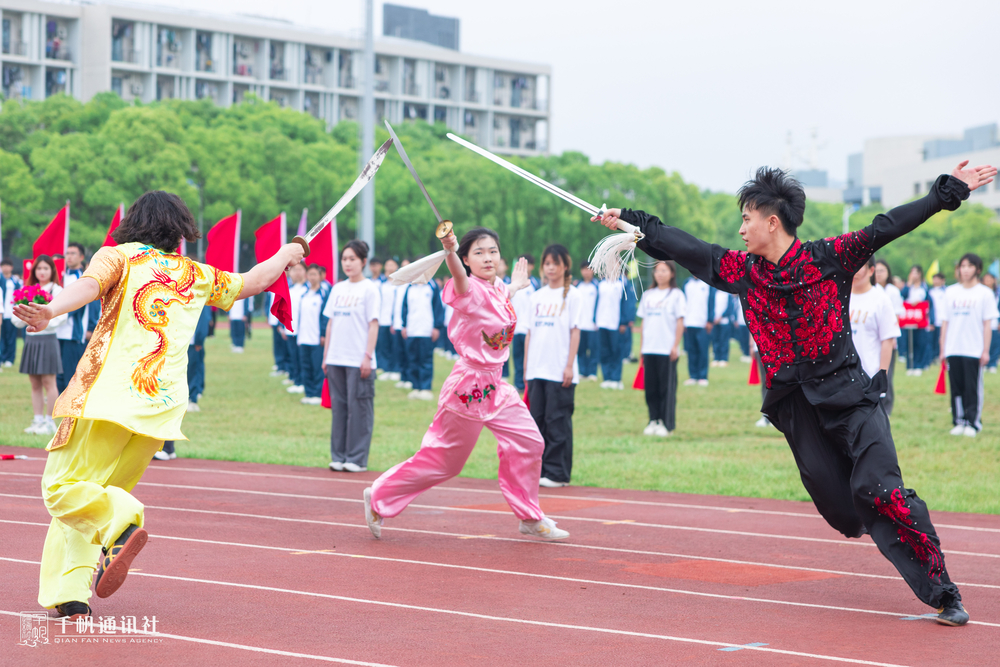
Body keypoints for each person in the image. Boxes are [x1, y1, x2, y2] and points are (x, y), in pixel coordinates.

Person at [593, 160, 996, 626]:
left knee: (882, 490)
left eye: (746, 218)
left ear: (771, 221)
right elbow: (687, 248)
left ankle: (944, 592)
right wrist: (631, 222)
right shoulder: (742, 271)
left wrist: (945, 193)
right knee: (846, 517)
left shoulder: (830, 257)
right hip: (798, 408)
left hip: (851, 397)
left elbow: (887, 227)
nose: (740, 229)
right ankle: (867, 511)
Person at [14, 190, 304, 622]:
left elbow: (89, 286)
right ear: (178, 229)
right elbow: (256, 281)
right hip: (159, 411)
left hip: (105, 400)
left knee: (63, 490)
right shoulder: (195, 273)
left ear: (135, 221)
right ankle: (70, 593)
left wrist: (51, 310)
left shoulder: (120, 256)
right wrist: (289, 251)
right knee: (95, 495)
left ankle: (125, 520)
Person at [363, 227, 569, 542]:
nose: (488, 258)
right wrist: (451, 248)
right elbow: (460, 278)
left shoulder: (498, 286)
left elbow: (498, 299)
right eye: (479, 252)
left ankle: (529, 516)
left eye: (493, 251)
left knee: (529, 443)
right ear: (466, 260)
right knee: (444, 461)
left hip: (495, 387)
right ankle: (378, 497)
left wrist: (514, 286)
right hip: (468, 389)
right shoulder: (467, 288)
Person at [525, 244, 581, 488]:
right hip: (537, 369)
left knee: (557, 421)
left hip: (560, 370)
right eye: (547, 263)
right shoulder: (535, 297)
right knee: (537, 422)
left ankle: (558, 473)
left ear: (565, 266)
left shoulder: (574, 296)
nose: (550, 268)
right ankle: (539, 470)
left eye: (555, 263)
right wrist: (527, 368)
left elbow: (575, 331)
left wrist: (569, 365)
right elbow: (529, 334)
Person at [323, 240, 380, 473]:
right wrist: (326, 356)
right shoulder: (337, 288)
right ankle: (339, 456)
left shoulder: (370, 289)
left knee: (360, 409)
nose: (347, 263)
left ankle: (356, 458)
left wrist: (367, 356)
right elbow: (330, 324)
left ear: (363, 262)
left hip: (359, 360)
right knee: (340, 409)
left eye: (352, 259)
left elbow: (373, 324)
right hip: (336, 358)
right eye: (344, 259)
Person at [940, 253, 999, 437]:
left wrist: (985, 350)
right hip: (953, 347)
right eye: (962, 266)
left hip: (974, 348)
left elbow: (987, 324)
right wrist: (943, 348)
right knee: (956, 387)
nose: (965, 270)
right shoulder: (950, 292)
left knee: (972, 387)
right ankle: (959, 420)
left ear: (978, 269)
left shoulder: (985, 293)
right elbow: (945, 322)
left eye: (969, 266)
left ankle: (973, 422)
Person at [13, 255, 66, 436]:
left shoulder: (57, 290)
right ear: (34, 271)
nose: (42, 272)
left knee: (48, 382)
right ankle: (37, 420)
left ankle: (50, 422)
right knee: (34, 382)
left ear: (52, 271)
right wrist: (25, 321)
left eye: (46, 268)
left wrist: (42, 323)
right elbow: (16, 316)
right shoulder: (27, 290)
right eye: (39, 269)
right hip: (31, 340)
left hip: (48, 339)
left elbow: (62, 316)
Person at [637, 260, 685, 437]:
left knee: (667, 388)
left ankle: (667, 423)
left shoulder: (676, 295)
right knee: (651, 388)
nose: (660, 274)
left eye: (664, 270)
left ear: (671, 273)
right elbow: (644, 322)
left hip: (667, 349)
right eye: (657, 271)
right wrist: (642, 347)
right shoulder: (648, 295)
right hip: (650, 348)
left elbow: (680, 322)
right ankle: (653, 420)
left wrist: (675, 345)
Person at [849, 258, 901, 384]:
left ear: (871, 270)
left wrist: (881, 377)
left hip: (869, 375)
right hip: (842, 378)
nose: (854, 270)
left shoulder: (881, 300)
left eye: (859, 266)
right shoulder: (839, 297)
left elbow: (887, 340)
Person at [55, 243, 94, 394]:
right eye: (67, 253)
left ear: (81, 257)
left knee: (71, 375)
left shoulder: (84, 278)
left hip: (73, 334)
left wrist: (91, 328)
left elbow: (81, 305)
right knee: (57, 375)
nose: (69, 257)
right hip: (56, 332)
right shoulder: (60, 277)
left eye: (73, 253)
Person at [400, 278, 444, 400]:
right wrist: (404, 325)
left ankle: (425, 388)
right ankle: (415, 387)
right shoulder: (410, 287)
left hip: (427, 330)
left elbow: (438, 308)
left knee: (426, 360)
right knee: (412, 360)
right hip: (412, 330)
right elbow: (405, 308)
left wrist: (436, 327)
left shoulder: (432, 286)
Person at [297, 264, 329, 405]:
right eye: (310, 274)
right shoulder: (304, 294)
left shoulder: (323, 294)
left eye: (315, 274)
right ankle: (308, 392)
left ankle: (317, 393)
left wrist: (323, 334)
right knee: (305, 366)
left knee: (317, 367)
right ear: (307, 276)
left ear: (319, 276)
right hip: (303, 337)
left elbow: (325, 317)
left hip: (316, 338)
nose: (312, 277)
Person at [874, 259, 903, 414]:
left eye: (882, 271)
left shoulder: (892, 291)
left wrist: (891, 338)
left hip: (888, 340)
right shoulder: (872, 289)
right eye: (876, 271)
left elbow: (896, 316)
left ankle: (887, 406)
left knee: (887, 374)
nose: (879, 274)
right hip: (873, 341)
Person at [509, 253, 537, 391]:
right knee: (517, 357)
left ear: (531, 266)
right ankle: (518, 384)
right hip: (516, 329)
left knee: (529, 358)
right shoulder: (512, 284)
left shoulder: (535, 284)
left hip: (529, 329)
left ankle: (529, 384)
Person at [595, 275, 628, 389]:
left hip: (615, 323)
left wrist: (624, 321)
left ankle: (616, 378)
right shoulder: (600, 283)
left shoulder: (622, 283)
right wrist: (595, 319)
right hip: (602, 322)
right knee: (604, 352)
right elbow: (597, 302)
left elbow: (626, 303)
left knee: (616, 351)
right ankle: (607, 378)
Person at [682, 276, 715, 386]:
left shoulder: (707, 283)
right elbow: (683, 303)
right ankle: (693, 375)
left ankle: (702, 376)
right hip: (689, 322)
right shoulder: (687, 283)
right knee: (691, 350)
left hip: (703, 323)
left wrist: (710, 320)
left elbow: (711, 302)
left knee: (703, 350)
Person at [900, 265, 931, 375]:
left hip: (921, 321)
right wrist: (908, 283)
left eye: (916, 273)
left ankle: (919, 365)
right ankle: (910, 365)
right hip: (909, 320)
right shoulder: (909, 287)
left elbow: (929, 304)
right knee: (909, 342)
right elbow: (902, 296)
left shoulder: (924, 288)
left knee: (920, 343)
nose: (915, 275)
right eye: (912, 272)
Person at [283, 262, 308, 394]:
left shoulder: (308, 289)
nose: (297, 272)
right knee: (293, 356)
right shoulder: (289, 290)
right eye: (294, 270)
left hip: (304, 331)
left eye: (300, 269)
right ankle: (296, 380)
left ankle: (303, 382)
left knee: (303, 358)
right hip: (290, 329)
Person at [373, 258, 398, 380]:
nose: (390, 267)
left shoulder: (399, 284)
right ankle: (386, 368)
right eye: (388, 264)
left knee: (394, 346)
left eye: (392, 264)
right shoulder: (382, 284)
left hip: (393, 321)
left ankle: (395, 369)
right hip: (383, 320)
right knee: (384, 346)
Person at [184, 305, 211, 413]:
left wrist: (199, 339)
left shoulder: (200, 294)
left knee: (194, 370)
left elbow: (204, 317)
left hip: (193, 341)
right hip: (181, 340)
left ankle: (193, 399)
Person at [576, 260, 600, 380]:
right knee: (581, 349)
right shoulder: (577, 286)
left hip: (593, 325)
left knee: (593, 350)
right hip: (580, 324)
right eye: (584, 269)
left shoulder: (597, 286)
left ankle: (592, 372)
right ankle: (582, 371)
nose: (586, 272)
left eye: (589, 269)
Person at [391, 260, 411, 389]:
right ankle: (402, 376)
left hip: (408, 326)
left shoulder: (412, 285)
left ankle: (409, 377)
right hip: (397, 323)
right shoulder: (398, 285)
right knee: (399, 352)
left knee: (409, 352)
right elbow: (395, 306)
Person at [1, 258, 24, 367]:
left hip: (11, 313)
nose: (5, 267)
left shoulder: (15, 281)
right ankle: (2, 357)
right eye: (3, 265)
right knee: (2, 337)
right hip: (2, 313)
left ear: (11, 267)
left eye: (7, 265)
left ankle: (10, 358)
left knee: (11, 337)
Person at [267, 290, 290, 378]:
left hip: (282, 321)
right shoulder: (271, 285)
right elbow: (268, 301)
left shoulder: (287, 286)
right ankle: (279, 365)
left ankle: (286, 367)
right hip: (274, 320)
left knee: (285, 346)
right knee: (277, 345)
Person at [981, 272, 1000, 372]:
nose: (988, 281)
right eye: (986, 279)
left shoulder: (997, 293)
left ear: (994, 280)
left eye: (990, 279)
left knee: (995, 343)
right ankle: (984, 364)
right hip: (983, 323)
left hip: (994, 321)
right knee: (983, 343)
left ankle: (992, 363)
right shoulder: (980, 292)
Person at [928, 272, 947, 364]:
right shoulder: (929, 292)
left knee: (941, 339)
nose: (935, 281)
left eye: (938, 279)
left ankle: (939, 356)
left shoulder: (946, 292)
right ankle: (932, 357)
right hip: (932, 320)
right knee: (931, 340)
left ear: (943, 280)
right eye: (934, 279)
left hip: (942, 320)